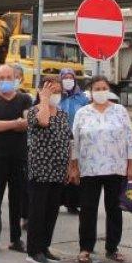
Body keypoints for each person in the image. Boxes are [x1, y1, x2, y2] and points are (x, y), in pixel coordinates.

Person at [68, 75, 132, 263]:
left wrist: (131, 165)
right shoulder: (83, 113)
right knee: (88, 209)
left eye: (103, 88)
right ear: (90, 92)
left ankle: (112, 247)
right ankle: (85, 248)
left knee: (114, 209)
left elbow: (131, 139)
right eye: (96, 89)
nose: (100, 91)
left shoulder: (120, 111)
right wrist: (73, 166)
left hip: (116, 167)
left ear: (109, 90)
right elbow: (74, 141)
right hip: (89, 168)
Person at [0, 63, 32, 254]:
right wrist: (15, 123)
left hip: (19, 157)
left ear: (16, 78)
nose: (5, 81)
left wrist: (11, 124)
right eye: (1, 78)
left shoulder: (25, 99)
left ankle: (16, 239)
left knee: (17, 199)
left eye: (8, 77)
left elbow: (28, 122)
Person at [26, 76, 70, 263]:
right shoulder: (34, 111)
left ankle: (45, 247)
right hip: (41, 168)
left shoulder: (62, 114)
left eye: (58, 92)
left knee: (52, 211)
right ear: (42, 91)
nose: (55, 95)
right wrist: (44, 100)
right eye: (52, 91)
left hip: (58, 169)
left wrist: (69, 166)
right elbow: (43, 121)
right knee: (38, 211)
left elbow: (67, 141)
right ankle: (33, 251)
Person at [57, 68, 89, 214]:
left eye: (71, 77)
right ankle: (56, 200)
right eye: (65, 77)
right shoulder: (56, 96)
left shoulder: (82, 98)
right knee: (60, 170)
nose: (68, 80)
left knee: (75, 169)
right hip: (58, 139)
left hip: (77, 139)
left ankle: (73, 203)